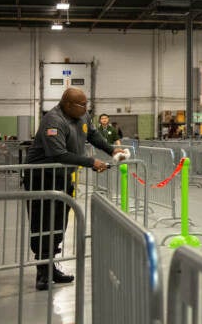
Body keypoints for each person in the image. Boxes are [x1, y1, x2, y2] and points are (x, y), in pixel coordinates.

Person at [24, 88, 127, 290]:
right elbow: (59, 154)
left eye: (86, 104)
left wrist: (112, 149)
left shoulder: (82, 115)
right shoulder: (53, 121)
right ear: (67, 104)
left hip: (62, 177)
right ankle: (42, 273)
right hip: (41, 178)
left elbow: (95, 136)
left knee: (59, 222)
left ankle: (52, 268)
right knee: (43, 223)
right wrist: (91, 162)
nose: (86, 108)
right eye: (82, 104)